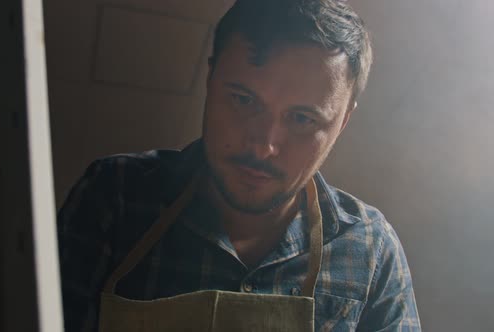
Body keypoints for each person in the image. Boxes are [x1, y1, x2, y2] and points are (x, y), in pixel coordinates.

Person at [57, 0, 421, 331]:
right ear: (211, 78)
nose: (263, 146)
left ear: (341, 123)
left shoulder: (370, 249)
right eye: (243, 100)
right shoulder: (115, 197)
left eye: (302, 119)